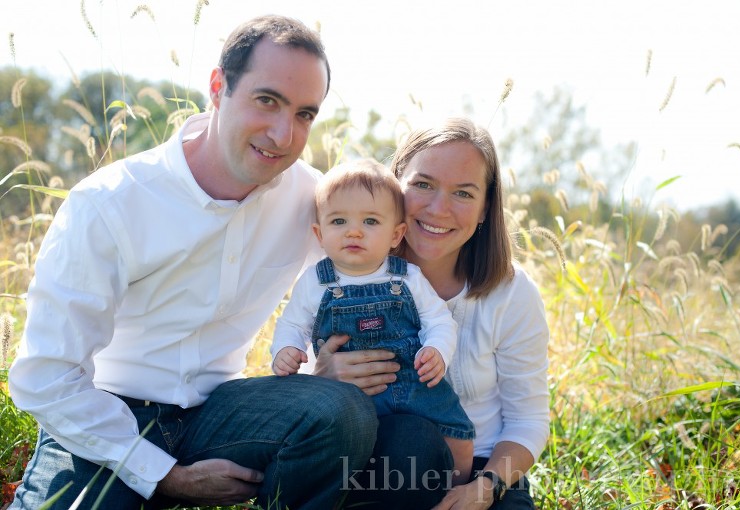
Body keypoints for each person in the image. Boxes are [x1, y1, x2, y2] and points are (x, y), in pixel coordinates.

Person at [8, 15, 378, 510]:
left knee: (341, 411)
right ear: (218, 87)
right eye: (267, 100)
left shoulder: (315, 200)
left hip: (221, 413)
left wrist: (322, 366)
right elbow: (45, 377)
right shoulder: (110, 203)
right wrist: (166, 477)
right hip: (107, 418)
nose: (282, 134)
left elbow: (373, 281)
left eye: (304, 114)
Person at [313, 118, 550, 509]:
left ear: (485, 209)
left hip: (483, 470)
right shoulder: (344, 273)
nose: (439, 209)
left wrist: (484, 488)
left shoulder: (512, 293)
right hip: (381, 464)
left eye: (463, 193)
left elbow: (528, 420)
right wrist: (322, 379)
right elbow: (297, 380)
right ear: (395, 186)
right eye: (423, 184)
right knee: (413, 439)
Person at [270, 159, 475, 484]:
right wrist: (286, 349)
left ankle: (457, 493)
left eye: (370, 221)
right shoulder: (315, 282)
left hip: (415, 381)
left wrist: (437, 350)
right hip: (349, 395)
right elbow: (292, 325)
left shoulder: (407, 277)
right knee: (333, 444)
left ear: (396, 234)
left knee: (458, 435)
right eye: (339, 221)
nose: (354, 231)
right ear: (319, 233)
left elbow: (439, 321)